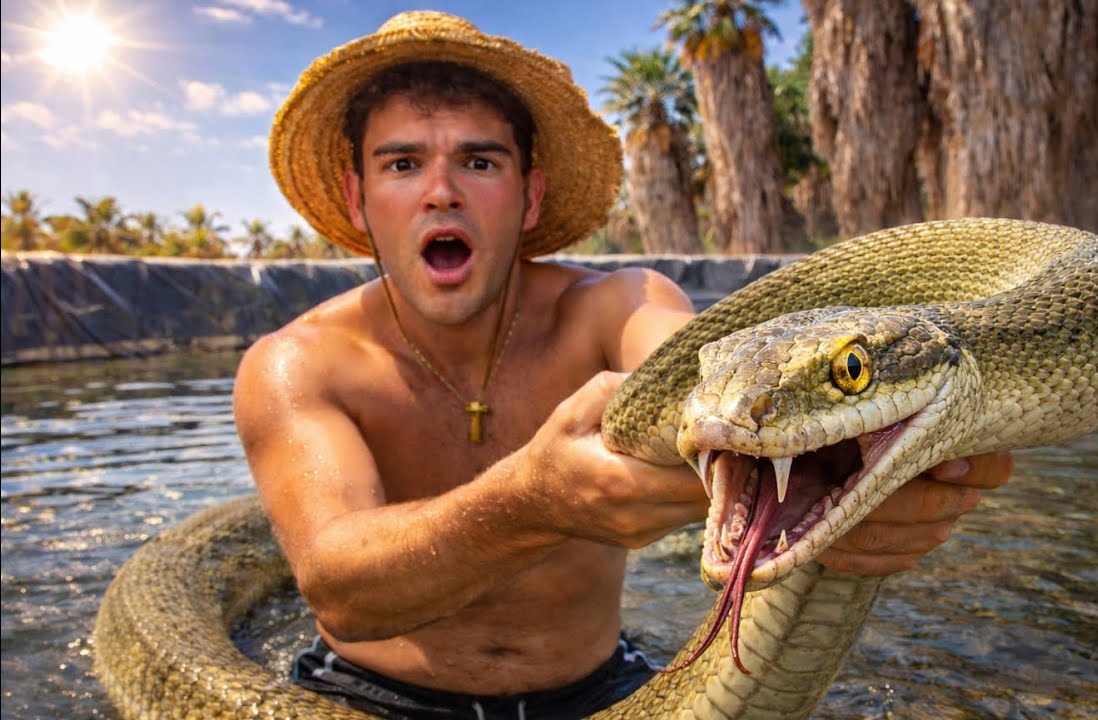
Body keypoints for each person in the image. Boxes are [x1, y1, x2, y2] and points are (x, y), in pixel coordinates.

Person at [235, 11, 1013, 720]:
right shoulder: (295, 364)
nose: (440, 192)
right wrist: (530, 502)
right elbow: (340, 590)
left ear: (529, 197)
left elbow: (713, 382)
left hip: (598, 687)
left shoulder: (618, 304)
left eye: (478, 161)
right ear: (360, 197)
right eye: (402, 165)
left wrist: (853, 480)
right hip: (361, 694)